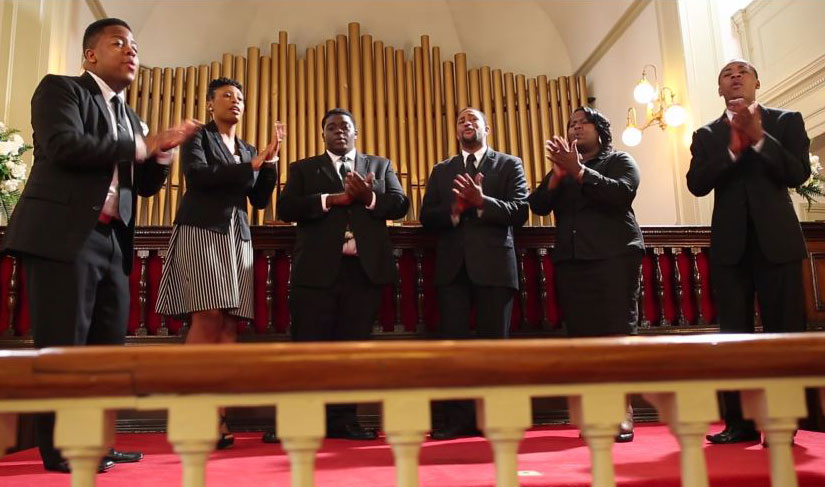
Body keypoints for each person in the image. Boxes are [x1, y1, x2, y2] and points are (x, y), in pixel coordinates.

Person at [0, 18, 199, 472]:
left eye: (135, 46)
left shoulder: (131, 116)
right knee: (65, 349)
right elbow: (64, 146)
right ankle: (61, 450)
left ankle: (94, 441)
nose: (132, 52)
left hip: (112, 239)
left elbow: (144, 186)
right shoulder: (61, 90)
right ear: (91, 54)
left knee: (104, 351)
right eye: (120, 43)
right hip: (64, 236)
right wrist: (141, 144)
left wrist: (162, 154)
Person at [155, 77, 284, 448]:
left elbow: (258, 200)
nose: (236, 101)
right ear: (211, 104)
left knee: (230, 324)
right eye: (227, 96)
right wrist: (253, 164)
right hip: (202, 229)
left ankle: (219, 417)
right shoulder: (200, 137)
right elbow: (198, 176)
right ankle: (193, 416)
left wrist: (269, 163)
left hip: (236, 235)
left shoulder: (247, 148)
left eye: (241, 97)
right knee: (207, 316)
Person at [687, 59, 811, 445]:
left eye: (743, 71)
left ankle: (788, 422)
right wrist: (733, 152)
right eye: (726, 73)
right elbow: (696, 184)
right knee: (733, 339)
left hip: (778, 243)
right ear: (720, 89)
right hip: (730, 248)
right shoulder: (707, 134)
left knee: (786, 336)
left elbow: (798, 173)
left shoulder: (786, 121)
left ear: (757, 81)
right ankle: (739, 424)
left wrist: (760, 139)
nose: (735, 76)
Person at [277, 108, 409, 440]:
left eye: (345, 126)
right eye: (331, 127)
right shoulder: (303, 168)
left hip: (362, 272)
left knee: (351, 350)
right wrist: (331, 199)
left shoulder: (380, 166)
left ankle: (343, 419)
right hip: (315, 273)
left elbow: (400, 204)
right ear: (322, 134)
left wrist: (369, 198)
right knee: (309, 351)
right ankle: (302, 421)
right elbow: (287, 207)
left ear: (356, 133)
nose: (339, 131)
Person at [528, 106, 644, 442]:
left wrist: (579, 171)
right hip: (573, 261)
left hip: (614, 257)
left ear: (600, 130)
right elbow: (537, 206)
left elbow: (621, 194)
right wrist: (556, 176)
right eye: (571, 125)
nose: (576, 128)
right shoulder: (564, 170)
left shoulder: (620, 160)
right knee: (582, 340)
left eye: (583, 123)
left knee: (616, 336)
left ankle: (622, 412)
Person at [420, 107, 528, 439]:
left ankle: (495, 419)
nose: (467, 124)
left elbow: (521, 211)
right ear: (456, 132)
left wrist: (482, 202)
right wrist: (453, 211)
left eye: (473, 120)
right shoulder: (442, 170)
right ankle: (457, 421)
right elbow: (427, 216)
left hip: (495, 266)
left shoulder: (509, 164)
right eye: (461, 121)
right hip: (452, 267)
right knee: (454, 350)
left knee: (496, 349)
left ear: (487, 128)